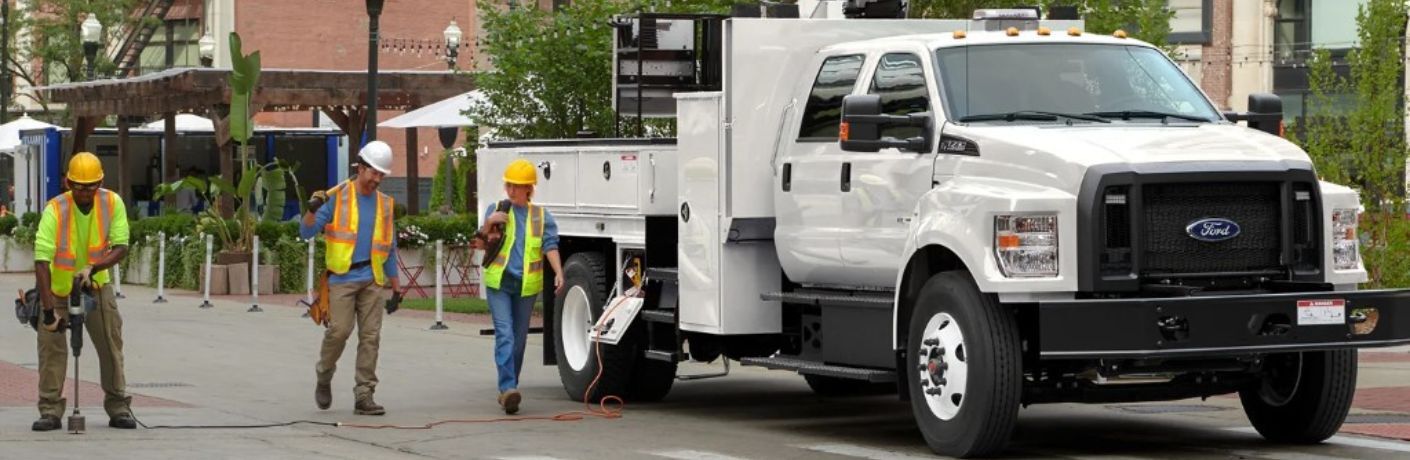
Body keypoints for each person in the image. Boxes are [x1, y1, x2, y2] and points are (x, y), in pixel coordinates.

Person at [31, 152, 133, 431]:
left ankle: (119, 406)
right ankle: (50, 410)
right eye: (79, 186)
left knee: (111, 345)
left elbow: (121, 246)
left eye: (91, 186)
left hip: (96, 286)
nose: (85, 192)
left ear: (100, 182)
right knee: (51, 348)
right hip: (59, 290)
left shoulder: (112, 202)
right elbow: (41, 260)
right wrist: (48, 311)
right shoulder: (55, 209)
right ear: (68, 183)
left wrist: (93, 268)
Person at [300, 141, 400, 415]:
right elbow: (306, 232)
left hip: (372, 279)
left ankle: (364, 394)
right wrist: (312, 209)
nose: (377, 179)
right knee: (339, 331)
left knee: (371, 337)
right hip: (342, 278)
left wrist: (396, 288)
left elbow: (389, 247)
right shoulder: (336, 198)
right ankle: (324, 374)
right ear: (361, 167)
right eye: (374, 173)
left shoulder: (385, 204)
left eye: (382, 174)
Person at [475, 158, 563, 415]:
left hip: (526, 287)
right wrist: (488, 224)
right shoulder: (497, 209)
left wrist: (559, 272)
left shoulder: (541, 216)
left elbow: (550, 245)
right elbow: (479, 245)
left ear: (529, 188)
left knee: (519, 340)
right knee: (505, 334)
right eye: (509, 185)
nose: (512, 190)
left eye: (517, 186)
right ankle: (508, 388)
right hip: (499, 283)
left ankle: (510, 387)